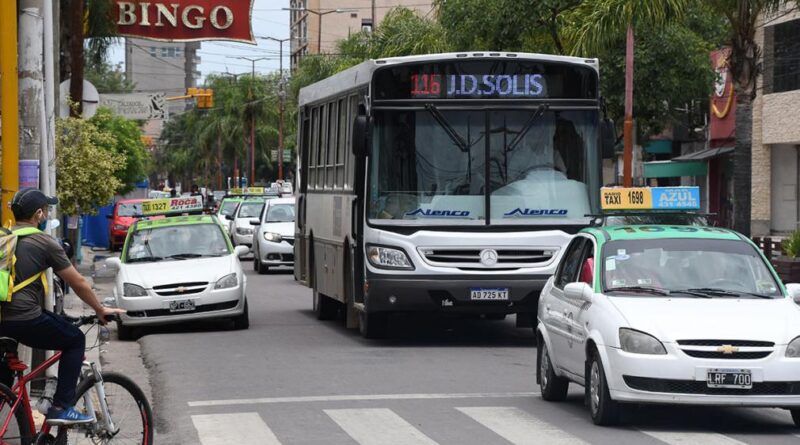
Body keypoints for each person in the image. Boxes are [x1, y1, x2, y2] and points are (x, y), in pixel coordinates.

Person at [1, 189, 125, 425]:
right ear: (38, 214)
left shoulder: (3, 238)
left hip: (3, 320)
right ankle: (60, 407)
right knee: (75, 340)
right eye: (46, 210)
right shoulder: (43, 241)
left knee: (8, 382)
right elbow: (77, 282)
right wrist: (100, 309)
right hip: (25, 319)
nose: (47, 214)